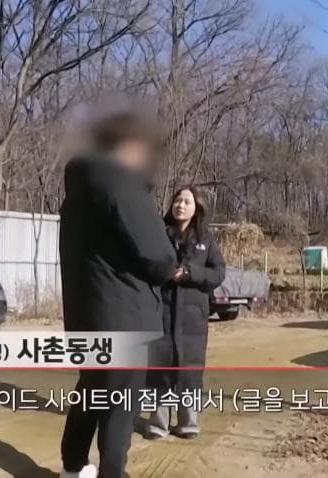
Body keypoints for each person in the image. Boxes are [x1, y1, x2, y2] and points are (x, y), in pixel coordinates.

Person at [58, 109, 177, 478]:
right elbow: (158, 256)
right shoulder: (121, 183)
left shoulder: (77, 192)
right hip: (124, 315)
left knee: (91, 391)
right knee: (120, 403)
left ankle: (74, 466)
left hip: (85, 315)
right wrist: (170, 268)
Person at [144, 187, 226, 440]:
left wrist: (190, 274)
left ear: (196, 208)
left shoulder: (205, 239)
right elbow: (145, 264)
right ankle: (158, 423)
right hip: (162, 311)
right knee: (159, 366)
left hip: (193, 317)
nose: (180, 205)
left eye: (187, 202)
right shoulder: (158, 234)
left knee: (190, 368)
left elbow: (218, 273)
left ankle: (188, 423)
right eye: (177, 200)